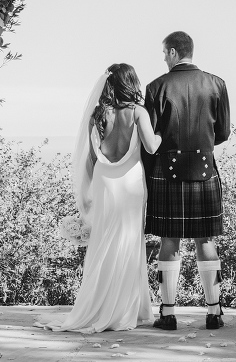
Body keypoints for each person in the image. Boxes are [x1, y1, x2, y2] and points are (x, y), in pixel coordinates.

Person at [45, 64, 162, 333]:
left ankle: (99, 305)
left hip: (104, 184)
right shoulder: (138, 113)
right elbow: (151, 147)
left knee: (103, 244)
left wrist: (85, 196)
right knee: (129, 244)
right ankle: (126, 309)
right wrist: (162, 133)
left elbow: (90, 159)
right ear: (131, 83)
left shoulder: (97, 116)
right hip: (130, 185)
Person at [144, 31, 230, 330]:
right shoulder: (217, 84)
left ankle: (167, 314)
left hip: (166, 169)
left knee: (170, 240)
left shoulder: (156, 87)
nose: (162, 58)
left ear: (171, 52)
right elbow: (224, 132)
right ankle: (214, 312)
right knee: (205, 240)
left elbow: (150, 136)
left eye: (163, 53)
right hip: (204, 168)